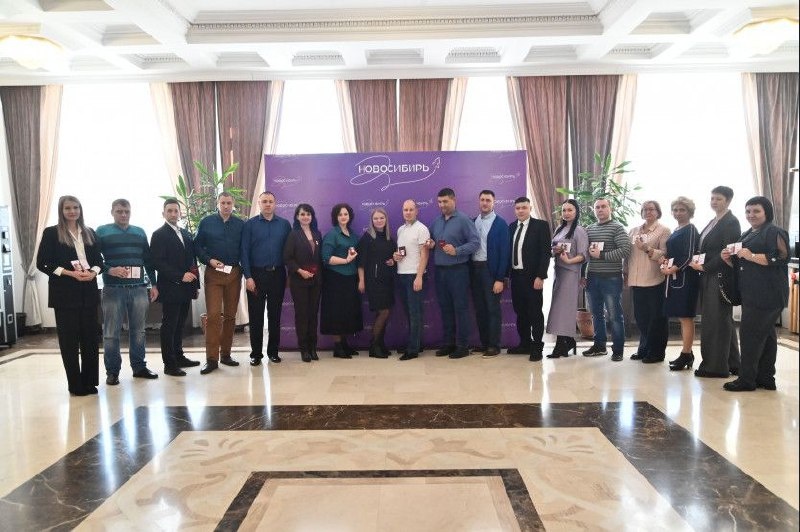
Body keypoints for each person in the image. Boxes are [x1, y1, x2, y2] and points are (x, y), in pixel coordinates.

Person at [36, 196, 103, 396]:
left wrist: (94, 272)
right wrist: (69, 273)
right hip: (64, 294)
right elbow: (43, 263)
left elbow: (99, 261)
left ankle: (90, 382)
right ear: (61, 211)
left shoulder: (90, 232)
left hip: (88, 292)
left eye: (75, 207)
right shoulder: (51, 233)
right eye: (68, 208)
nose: (72, 211)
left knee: (90, 340)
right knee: (69, 342)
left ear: (80, 210)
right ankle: (75, 385)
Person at [722, 196, 789, 392]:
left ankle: (747, 380)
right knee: (766, 336)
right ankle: (765, 378)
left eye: (756, 211)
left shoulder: (774, 231)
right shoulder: (747, 234)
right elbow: (743, 264)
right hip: (751, 292)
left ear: (767, 212)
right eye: (748, 211)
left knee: (750, 335)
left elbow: (782, 257)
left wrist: (751, 256)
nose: (751, 215)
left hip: (767, 293)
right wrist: (729, 259)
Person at [97, 199, 159, 385]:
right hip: (113, 290)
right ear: (112, 212)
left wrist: (154, 285)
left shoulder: (139, 232)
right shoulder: (102, 231)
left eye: (126, 211)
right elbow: (94, 259)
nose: (123, 214)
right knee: (111, 333)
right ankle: (112, 372)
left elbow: (148, 261)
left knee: (139, 331)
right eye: (119, 211)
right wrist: (109, 270)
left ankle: (139, 367)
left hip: (138, 288)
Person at [690, 186, 741, 379]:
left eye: (718, 199)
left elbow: (728, 253)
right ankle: (733, 363)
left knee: (715, 322)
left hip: (719, 276)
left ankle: (715, 367)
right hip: (708, 274)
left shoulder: (731, 222)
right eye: (712, 198)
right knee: (723, 320)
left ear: (728, 201)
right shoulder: (713, 221)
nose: (714, 202)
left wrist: (705, 267)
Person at [195, 192, 245, 374]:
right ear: (217, 203)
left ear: (233, 204)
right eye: (223, 203)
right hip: (214, 273)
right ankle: (211, 359)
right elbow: (197, 246)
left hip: (234, 273)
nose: (226, 206)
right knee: (214, 315)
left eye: (229, 203)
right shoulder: (206, 222)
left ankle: (226, 355)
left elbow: (245, 248)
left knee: (231, 315)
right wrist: (209, 260)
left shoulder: (240, 224)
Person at [149, 198, 201, 377]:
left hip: (187, 287)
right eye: (169, 211)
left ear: (180, 213)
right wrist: (180, 276)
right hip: (170, 287)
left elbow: (192, 260)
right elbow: (158, 262)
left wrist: (195, 284)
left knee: (180, 324)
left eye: (175, 211)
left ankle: (179, 357)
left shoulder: (186, 233)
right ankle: (169, 364)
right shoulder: (159, 234)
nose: (173, 214)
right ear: (163, 213)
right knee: (169, 326)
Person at [426, 188, 480, 359]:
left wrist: (457, 250)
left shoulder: (464, 220)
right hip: (440, 271)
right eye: (439, 202)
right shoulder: (436, 222)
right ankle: (448, 344)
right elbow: (432, 242)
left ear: (453, 200)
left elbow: (475, 243)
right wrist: (431, 244)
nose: (442, 205)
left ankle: (463, 346)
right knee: (445, 308)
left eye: (445, 201)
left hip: (458, 271)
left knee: (461, 309)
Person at [241, 191, 292, 366]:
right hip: (256, 275)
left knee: (275, 315)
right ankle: (256, 354)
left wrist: (290, 274)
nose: (268, 204)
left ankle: (273, 352)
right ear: (259, 204)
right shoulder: (250, 225)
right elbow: (244, 252)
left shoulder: (284, 225)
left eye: (271, 201)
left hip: (278, 275)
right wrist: (248, 276)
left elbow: (290, 252)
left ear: (275, 204)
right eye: (264, 201)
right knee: (256, 316)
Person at [583, 197, 631, 362]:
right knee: (596, 314)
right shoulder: (589, 229)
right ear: (594, 210)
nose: (600, 210)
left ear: (610, 208)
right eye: (597, 207)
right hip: (592, 277)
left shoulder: (617, 228)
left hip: (611, 278)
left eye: (603, 206)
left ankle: (618, 350)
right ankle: (599, 346)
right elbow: (584, 253)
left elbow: (626, 249)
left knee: (615, 316)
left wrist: (602, 255)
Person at [625, 201, 671, 363]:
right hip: (636, 280)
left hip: (654, 280)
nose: (648, 212)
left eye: (651, 209)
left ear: (658, 212)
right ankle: (644, 349)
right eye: (644, 209)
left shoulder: (663, 230)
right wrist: (625, 272)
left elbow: (665, 254)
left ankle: (657, 352)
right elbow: (628, 255)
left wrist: (647, 248)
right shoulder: (633, 231)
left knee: (656, 319)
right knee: (641, 318)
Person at [507, 196, 551, 361]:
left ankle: (537, 347)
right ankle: (524, 344)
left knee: (535, 313)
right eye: (518, 208)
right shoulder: (512, 227)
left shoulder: (541, 226)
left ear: (530, 209)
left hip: (533, 278)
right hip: (516, 277)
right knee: (520, 313)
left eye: (524, 208)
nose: (520, 211)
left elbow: (545, 253)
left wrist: (541, 276)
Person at [469, 190, 510, 358]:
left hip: (490, 271)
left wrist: (500, 278)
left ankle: (494, 345)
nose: (485, 203)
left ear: (494, 202)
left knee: (492, 309)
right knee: (480, 309)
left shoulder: (500, 224)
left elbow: (504, 253)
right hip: (474, 270)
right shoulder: (473, 222)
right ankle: (484, 343)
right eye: (482, 200)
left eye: (488, 200)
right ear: (479, 202)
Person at [661, 197, 700, 370]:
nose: (678, 213)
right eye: (675, 210)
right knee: (681, 316)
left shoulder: (690, 229)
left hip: (686, 278)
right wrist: (665, 263)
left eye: (682, 210)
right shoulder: (676, 229)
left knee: (686, 316)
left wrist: (674, 268)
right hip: (674, 277)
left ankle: (686, 353)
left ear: (689, 212)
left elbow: (689, 255)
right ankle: (687, 353)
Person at [546, 199, 588, 358]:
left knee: (563, 309)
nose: (566, 213)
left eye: (570, 210)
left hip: (571, 273)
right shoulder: (560, 228)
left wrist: (569, 261)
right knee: (558, 309)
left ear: (576, 212)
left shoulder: (579, 230)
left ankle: (561, 345)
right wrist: (555, 250)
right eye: (564, 210)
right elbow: (552, 249)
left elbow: (583, 255)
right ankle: (568, 341)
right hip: (559, 272)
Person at [321, 203, 363, 358]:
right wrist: (345, 261)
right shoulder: (332, 234)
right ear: (336, 217)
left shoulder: (353, 235)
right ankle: (338, 347)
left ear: (350, 216)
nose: (343, 217)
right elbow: (326, 258)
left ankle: (345, 344)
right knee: (336, 312)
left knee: (347, 312)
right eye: (340, 214)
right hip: (335, 279)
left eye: (346, 214)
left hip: (351, 278)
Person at [283, 204, 323, 362]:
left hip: (316, 281)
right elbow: (287, 258)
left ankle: (313, 348)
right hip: (299, 281)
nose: (306, 217)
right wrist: (300, 271)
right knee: (302, 315)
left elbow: (319, 259)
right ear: (297, 217)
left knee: (313, 314)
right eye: (302, 214)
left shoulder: (317, 234)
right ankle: (304, 349)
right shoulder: (293, 234)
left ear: (312, 216)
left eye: (308, 214)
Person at [393, 199, 430, 361]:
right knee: (409, 313)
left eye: (410, 209)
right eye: (405, 210)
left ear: (416, 211)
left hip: (415, 275)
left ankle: (413, 349)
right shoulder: (400, 230)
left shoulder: (422, 229)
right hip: (401, 274)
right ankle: (416, 343)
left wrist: (419, 276)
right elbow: (402, 253)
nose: (408, 212)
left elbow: (424, 255)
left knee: (415, 313)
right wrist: (396, 257)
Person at [357, 207, 397, 358]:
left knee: (385, 312)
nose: (379, 221)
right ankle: (374, 346)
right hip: (373, 281)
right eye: (376, 218)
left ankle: (380, 344)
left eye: (381, 218)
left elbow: (393, 258)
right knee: (383, 311)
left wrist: (393, 261)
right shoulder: (367, 238)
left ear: (386, 220)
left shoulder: (389, 238)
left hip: (387, 281)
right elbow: (360, 263)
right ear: (372, 221)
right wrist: (361, 281)